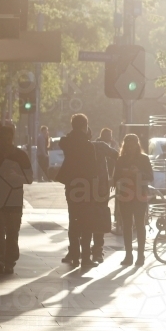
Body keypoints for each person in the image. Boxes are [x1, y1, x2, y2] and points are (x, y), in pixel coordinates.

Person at [0, 124, 33, 275]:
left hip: (14, 201)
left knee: (12, 233)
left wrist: (16, 177)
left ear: (12, 138)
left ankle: (9, 261)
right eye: (3, 139)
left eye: (9, 139)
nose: (6, 142)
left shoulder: (20, 155)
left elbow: (29, 178)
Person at [56, 113, 102, 267]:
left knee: (74, 220)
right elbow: (93, 169)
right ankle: (86, 258)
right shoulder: (88, 145)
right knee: (87, 222)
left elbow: (64, 141)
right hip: (86, 186)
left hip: (72, 185)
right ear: (85, 126)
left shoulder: (67, 142)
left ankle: (74, 253)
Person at [113, 134, 154, 266]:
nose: (130, 148)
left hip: (139, 194)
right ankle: (128, 255)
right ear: (125, 145)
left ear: (137, 145)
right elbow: (115, 178)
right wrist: (122, 175)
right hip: (125, 195)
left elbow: (150, 176)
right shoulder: (121, 160)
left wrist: (138, 173)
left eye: (133, 145)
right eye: (128, 145)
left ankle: (140, 255)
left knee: (140, 224)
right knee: (126, 225)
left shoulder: (143, 158)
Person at [89, 128, 118, 263]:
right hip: (100, 187)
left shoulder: (79, 147)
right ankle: (97, 250)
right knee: (99, 217)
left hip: (83, 188)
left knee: (85, 218)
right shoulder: (100, 146)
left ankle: (83, 249)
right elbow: (117, 155)